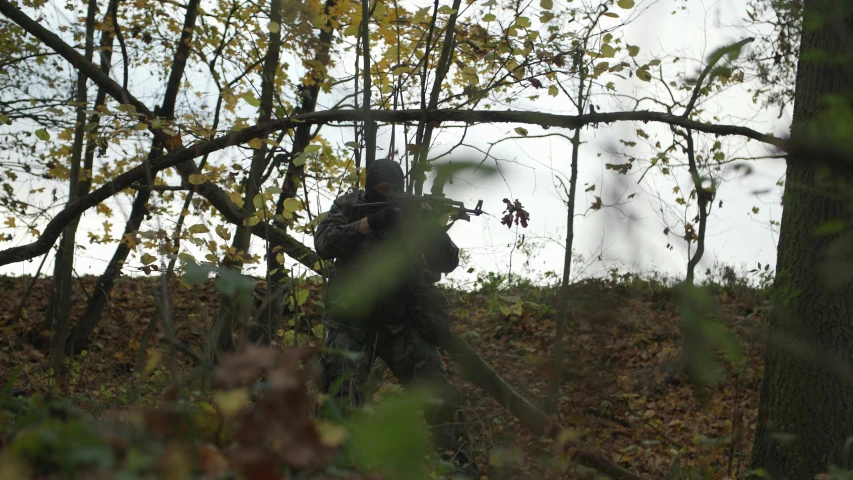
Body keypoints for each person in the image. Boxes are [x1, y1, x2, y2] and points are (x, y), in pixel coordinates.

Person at [314, 159, 479, 479]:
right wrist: (371, 223)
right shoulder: (351, 204)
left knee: (439, 397)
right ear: (370, 188)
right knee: (341, 405)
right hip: (352, 325)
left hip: (400, 323)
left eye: (395, 189)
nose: (390, 194)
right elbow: (324, 242)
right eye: (382, 189)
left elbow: (447, 261)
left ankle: (459, 469)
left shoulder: (412, 211)